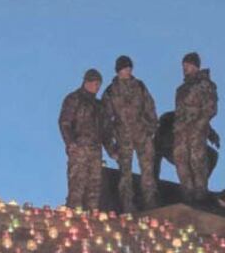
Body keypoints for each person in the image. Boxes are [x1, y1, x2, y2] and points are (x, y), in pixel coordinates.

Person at [102, 55, 158, 213]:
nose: (128, 70)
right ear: (119, 70)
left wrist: (151, 129)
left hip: (142, 134)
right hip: (122, 137)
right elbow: (105, 120)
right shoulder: (111, 91)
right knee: (125, 174)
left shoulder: (139, 86)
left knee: (148, 171)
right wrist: (110, 147)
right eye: (125, 67)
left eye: (130, 67)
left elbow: (150, 107)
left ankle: (151, 205)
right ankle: (127, 207)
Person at [59, 69, 110, 210]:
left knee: (94, 189)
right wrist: (70, 143)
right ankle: (74, 220)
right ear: (86, 82)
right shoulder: (74, 99)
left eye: (99, 84)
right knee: (77, 186)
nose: (97, 87)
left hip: (95, 151)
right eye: (95, 83)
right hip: (79, 149)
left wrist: (112, 151)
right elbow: (64, 122)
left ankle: (92, 222)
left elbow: (105, 131)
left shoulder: (99, 106)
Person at [173, 51, 218, 203]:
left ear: (196, 66)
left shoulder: (204, 84)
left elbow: (210, 109)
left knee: (197, 164)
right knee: (181, 163)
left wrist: (199, 127)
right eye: (183, 65)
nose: (185, 68)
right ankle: (187, 197)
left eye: (188, 65)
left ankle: (200, 200)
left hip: (196, 133)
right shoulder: (181, 89)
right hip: (181, 133)